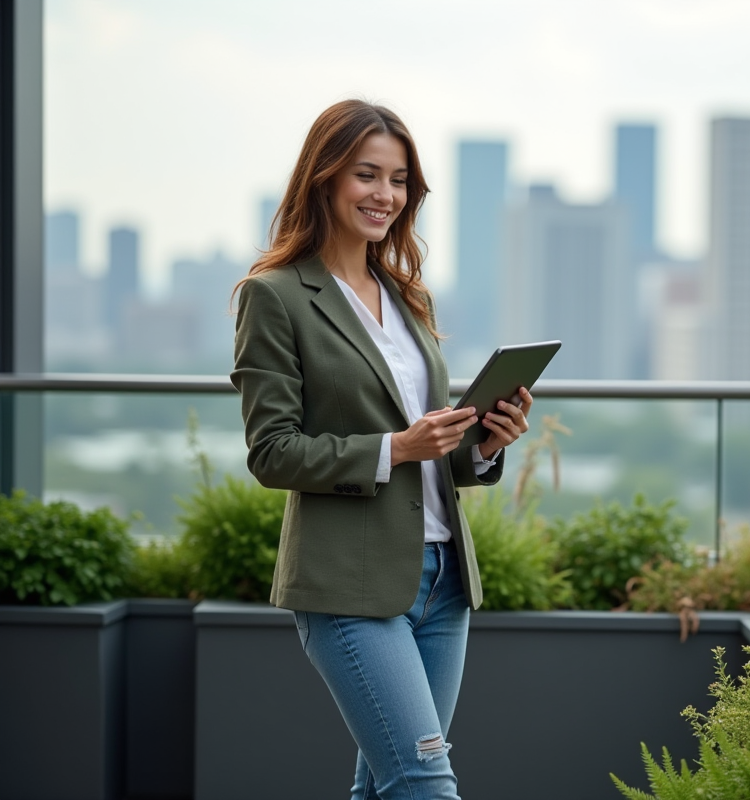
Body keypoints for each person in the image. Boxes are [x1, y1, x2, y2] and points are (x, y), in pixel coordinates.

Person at [231, 99, 532, 800]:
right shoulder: (274, 296)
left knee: (384, 785)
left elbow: (435, 448)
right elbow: (273, 452)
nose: (385, 196)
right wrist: (394, 448)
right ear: (325, 178)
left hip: (444, 581)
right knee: (424, 781)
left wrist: (483, 444)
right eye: (368, 175)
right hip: (350, 585)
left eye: (399, 181)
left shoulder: (405, 296)